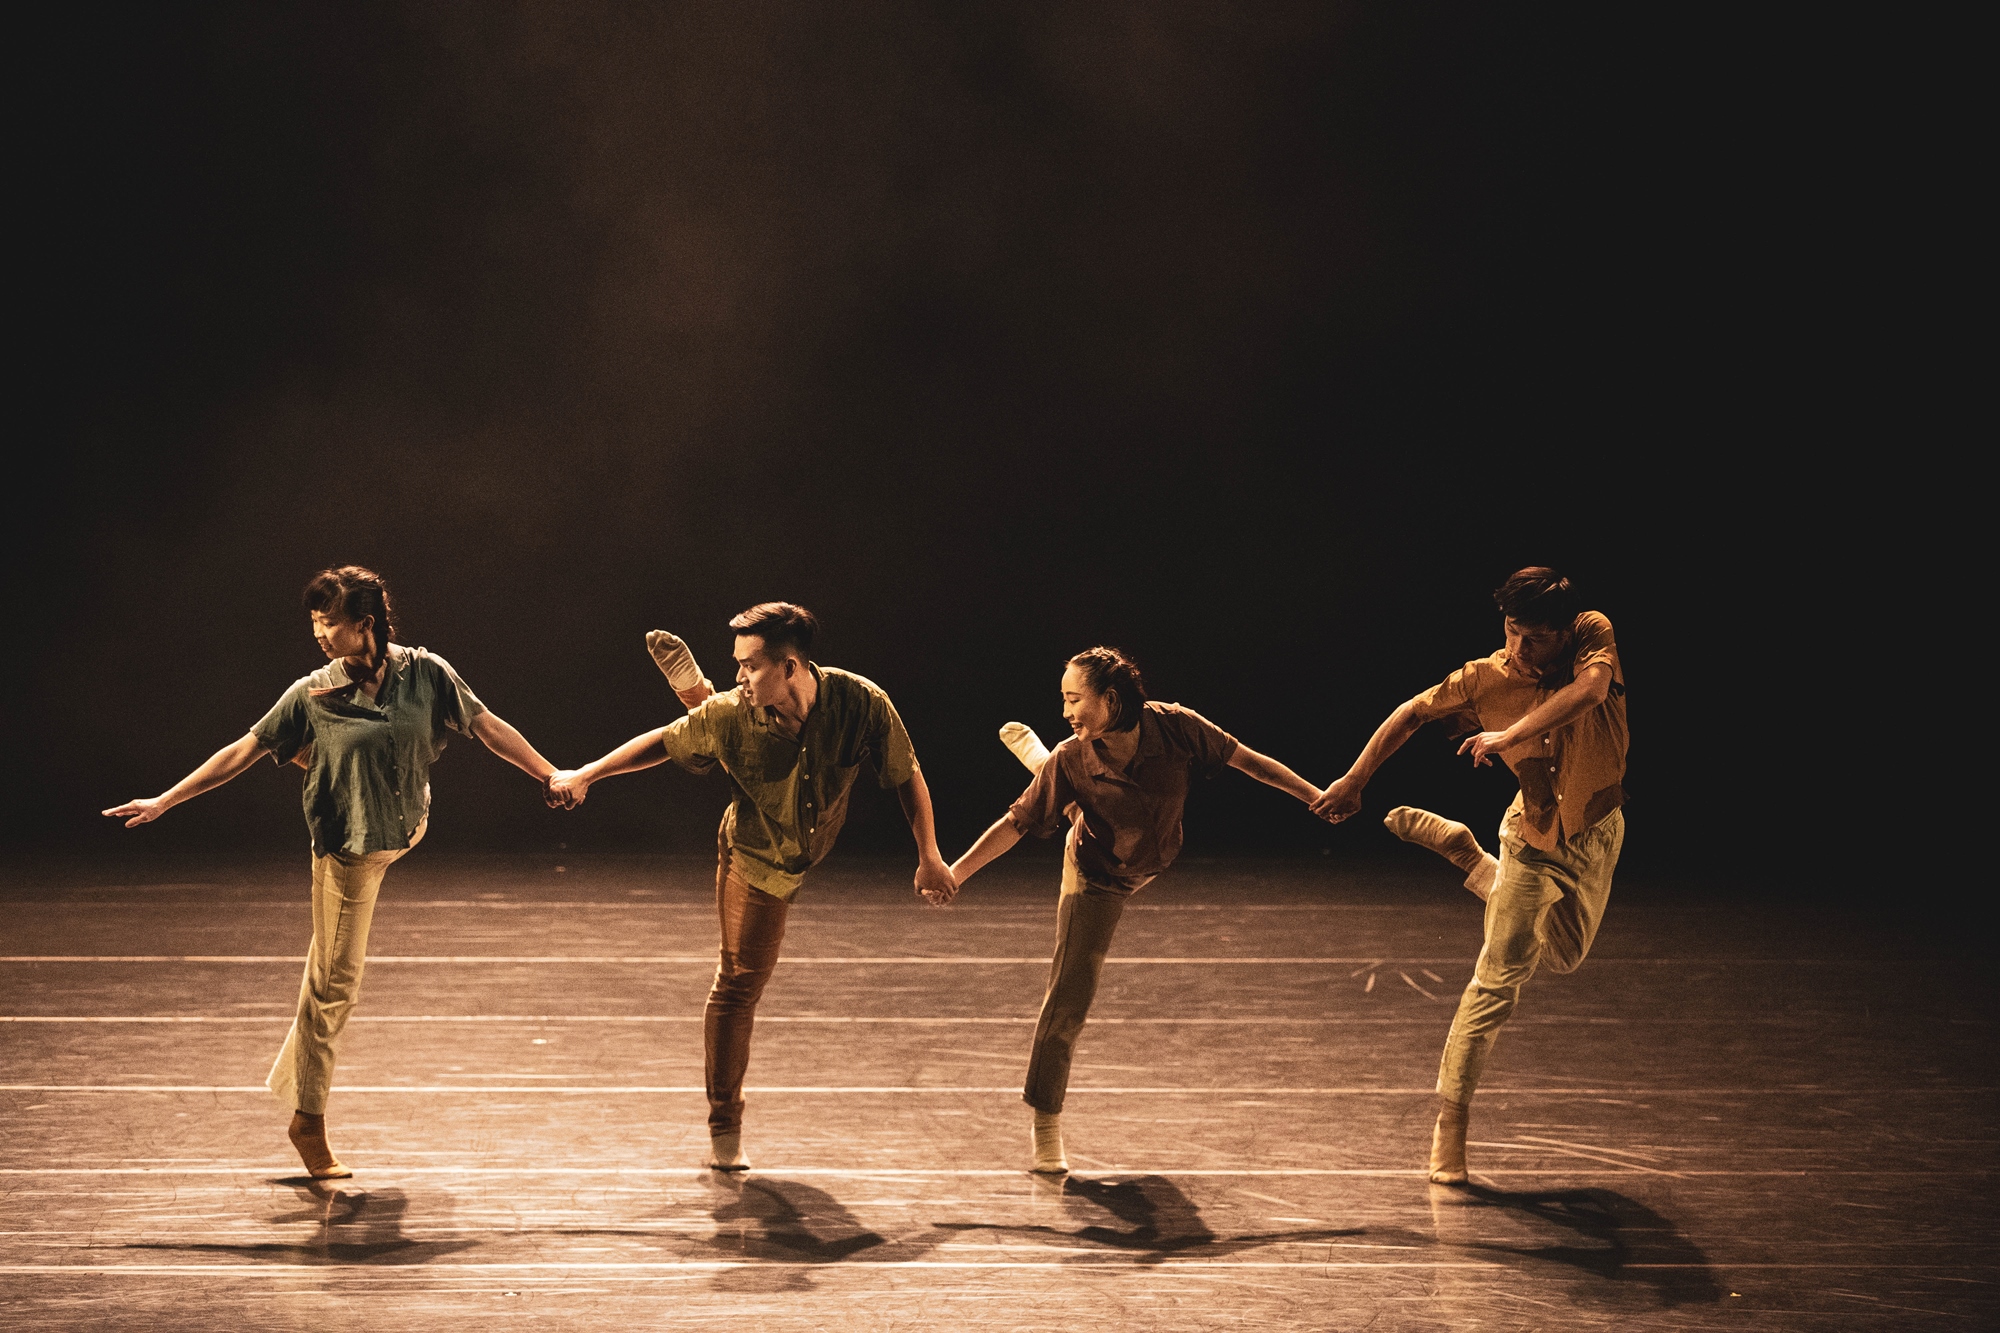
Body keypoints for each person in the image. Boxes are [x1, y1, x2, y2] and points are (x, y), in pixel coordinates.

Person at [102, 566, 560, 1178]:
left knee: (324, 977)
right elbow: (242, 750)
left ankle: (323, 758)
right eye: (314, 622)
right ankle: (307, 1120)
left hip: (405, 826)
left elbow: (485, 725)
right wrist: (165, 800)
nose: (318, 634)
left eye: (329, 622)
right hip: (348, 850)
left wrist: (551, 773)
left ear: (365, 624)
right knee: (333, 986)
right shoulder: (312, 690)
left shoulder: (426, 673)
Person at [545, 602, 954, 1171]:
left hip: (806, 843)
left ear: (790, 667)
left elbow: (906, 774)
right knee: (737, 985)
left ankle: (697, 698)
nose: (741, 675)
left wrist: (929, 854)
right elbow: (661, 742)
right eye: (735, 665)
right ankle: (724, 1123)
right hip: (755, 857)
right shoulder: (738, 711)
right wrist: (586, 774)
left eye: (749, 666)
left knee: (715, 721)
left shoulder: (861, 702)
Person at [948, 646, 1328, 1174]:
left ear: (1110, 699)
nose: (1065, 711)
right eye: (1063, 701)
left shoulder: (1175, 727)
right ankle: (1045, 1120)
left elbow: (1248, 761)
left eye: (1074, 700)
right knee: (1070, 995)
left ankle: (1044, 773)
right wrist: (955, 873)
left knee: (1077, 795)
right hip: (1096, 874)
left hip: (1147, 855)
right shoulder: (1073, 755)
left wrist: (1316, 795)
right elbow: (1014, 825)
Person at [1311, 568, 1628, 1185]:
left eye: (1536, 638)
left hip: (1598, 831)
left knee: (1563, 956)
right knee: (1499, 977)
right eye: (1511, 631)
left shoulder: (1593, 634)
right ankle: (1451, 1121)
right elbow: (1411, 713)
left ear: (1564, 632)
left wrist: (1509, 734)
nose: (1520, 648)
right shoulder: (1482, 677)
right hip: (1532, 836)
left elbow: (1591, 693)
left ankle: (1470, 858)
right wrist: (1355, 779)